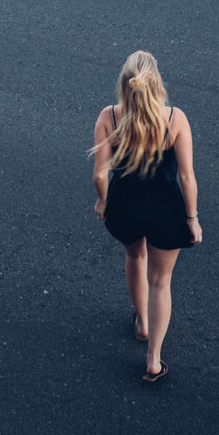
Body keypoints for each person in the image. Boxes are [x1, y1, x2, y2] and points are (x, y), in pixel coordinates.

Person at [91, 50, 202, 382]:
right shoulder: (174, 119)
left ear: (124, 85)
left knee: (135, 256)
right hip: (165, 210)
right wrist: (192, 218)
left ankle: (141, 322)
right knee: (161, 281)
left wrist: (101, 202)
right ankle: (153, 360)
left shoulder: (109, 117)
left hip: (125, 205)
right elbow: (186, 177)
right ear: (156, 85)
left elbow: (100, 174)